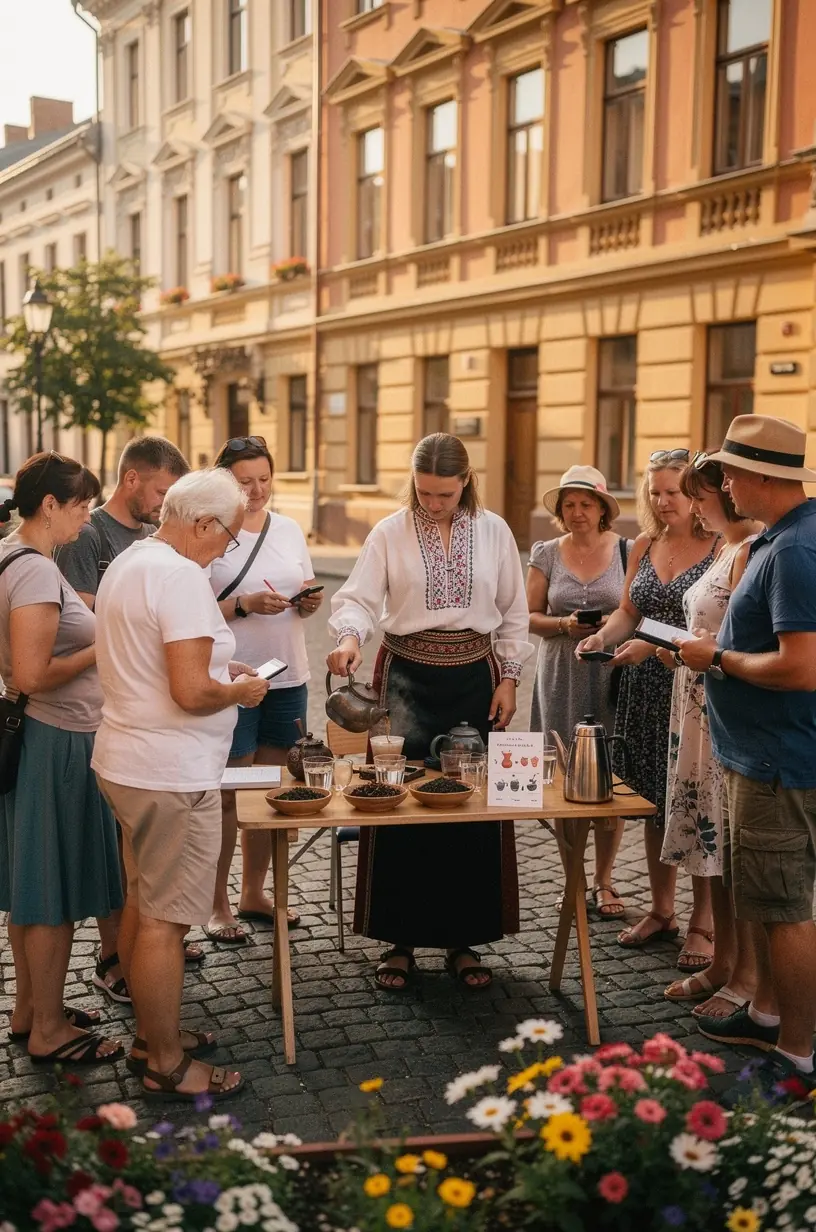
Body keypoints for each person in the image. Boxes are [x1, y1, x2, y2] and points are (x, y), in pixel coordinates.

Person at [327, 433, 532, 991]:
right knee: (396, 802)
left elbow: (514, 610)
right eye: (424, 493)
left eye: (445, 494)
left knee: (470, 806)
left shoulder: (494, 531)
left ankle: (464, 939)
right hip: (405, 682)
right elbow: (358, 599)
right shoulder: (389, 532)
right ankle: (398, 939)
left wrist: (510, 678)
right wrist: (349, 639)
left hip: (474, 679)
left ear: (466, 482)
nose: (433, 504)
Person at [92, 469, 269, 1099]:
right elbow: (190, 691)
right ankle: (164, 1063)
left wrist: (222, 666)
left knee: (144, 904)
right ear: (202, 523)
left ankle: (152, 1035)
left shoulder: (131, 562)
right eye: (228, 535)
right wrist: (240, 691)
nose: (227, 548)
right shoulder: (182, 577)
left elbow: (158, 659)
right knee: (166, 923)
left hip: (128, 762)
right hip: (170, 773)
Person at [676, 416, 816, 1096]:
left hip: (778, 762)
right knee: (761, 895)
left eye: (732, 473)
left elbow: (801, 667)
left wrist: (717, 659)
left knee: (785, 908)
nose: (725, 484)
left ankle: (798, 1052)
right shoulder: (778, 538)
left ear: (764, 475)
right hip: (756, 756)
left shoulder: (794, 549)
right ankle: (765, 1015)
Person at [55, 435, 194, 998]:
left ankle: (150, 941)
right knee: (113, 847)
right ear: (131, 479)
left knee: (137, 848)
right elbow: (80, 615)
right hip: (95, 708)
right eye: (160, 492)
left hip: (140, 709)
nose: (164, 504)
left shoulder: (149, 537)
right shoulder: (88, 535)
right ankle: (112, 955)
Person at [0, 452, 124, 1066]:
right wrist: (103, 647)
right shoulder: (32, 570)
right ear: (49, 505)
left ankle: (31, 1010)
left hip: (43, 737)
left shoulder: (16, 556)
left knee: (32, 883)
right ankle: (48, 1027)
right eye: (80, 506)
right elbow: (30, 674)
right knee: (50, 890)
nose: (86, 517)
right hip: (56, 740)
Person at [577, 450, 718, 960]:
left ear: (694, 494)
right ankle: (662, 910)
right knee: (656, 802)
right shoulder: (644, 543)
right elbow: (627, 611)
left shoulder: (722, 546)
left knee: (696, 804)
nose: (662, 501)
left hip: (693, 690)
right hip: (644, 690)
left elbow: (716, 624)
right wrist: (602, 638)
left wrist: (653, 646)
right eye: (654, 492)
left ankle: (704, 923)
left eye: (672, 492)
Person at [208, 435, 323, 943]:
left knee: (269, 792)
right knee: (227, 797)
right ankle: (216, 905)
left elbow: (305, 587)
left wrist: (308, 602)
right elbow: (190, 611)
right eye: (244, 482)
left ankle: (253, 893)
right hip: (231, 679)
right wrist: (244, 604)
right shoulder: (211, 532)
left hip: (287, 676)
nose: (256, 491)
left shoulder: (289, 529)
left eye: (263, 480)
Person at [657, 455, 761, 1014]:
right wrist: (674, 649)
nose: (693, 507)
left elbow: (747, 645)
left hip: (721, 708)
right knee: (709, 845)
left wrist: (695, 652)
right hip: (695, 703)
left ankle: (746, 977)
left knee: (730, 849)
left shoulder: (751, 550)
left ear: (726, 493)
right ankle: (722, 962)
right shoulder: (724, 547)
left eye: (699, 497)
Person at [527, 465, 631, 917]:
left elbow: (635, 611)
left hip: (610, 671)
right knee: (565, 775)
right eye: (569, 504)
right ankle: (574, 879)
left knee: (610, 776)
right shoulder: (546, 553)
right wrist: (564, 624)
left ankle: (605, 880)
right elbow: (528, 616)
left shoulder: (629, 550)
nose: (577, 512)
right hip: (561, 673)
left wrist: (607, 627)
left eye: (586, 503)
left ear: (603, 508)